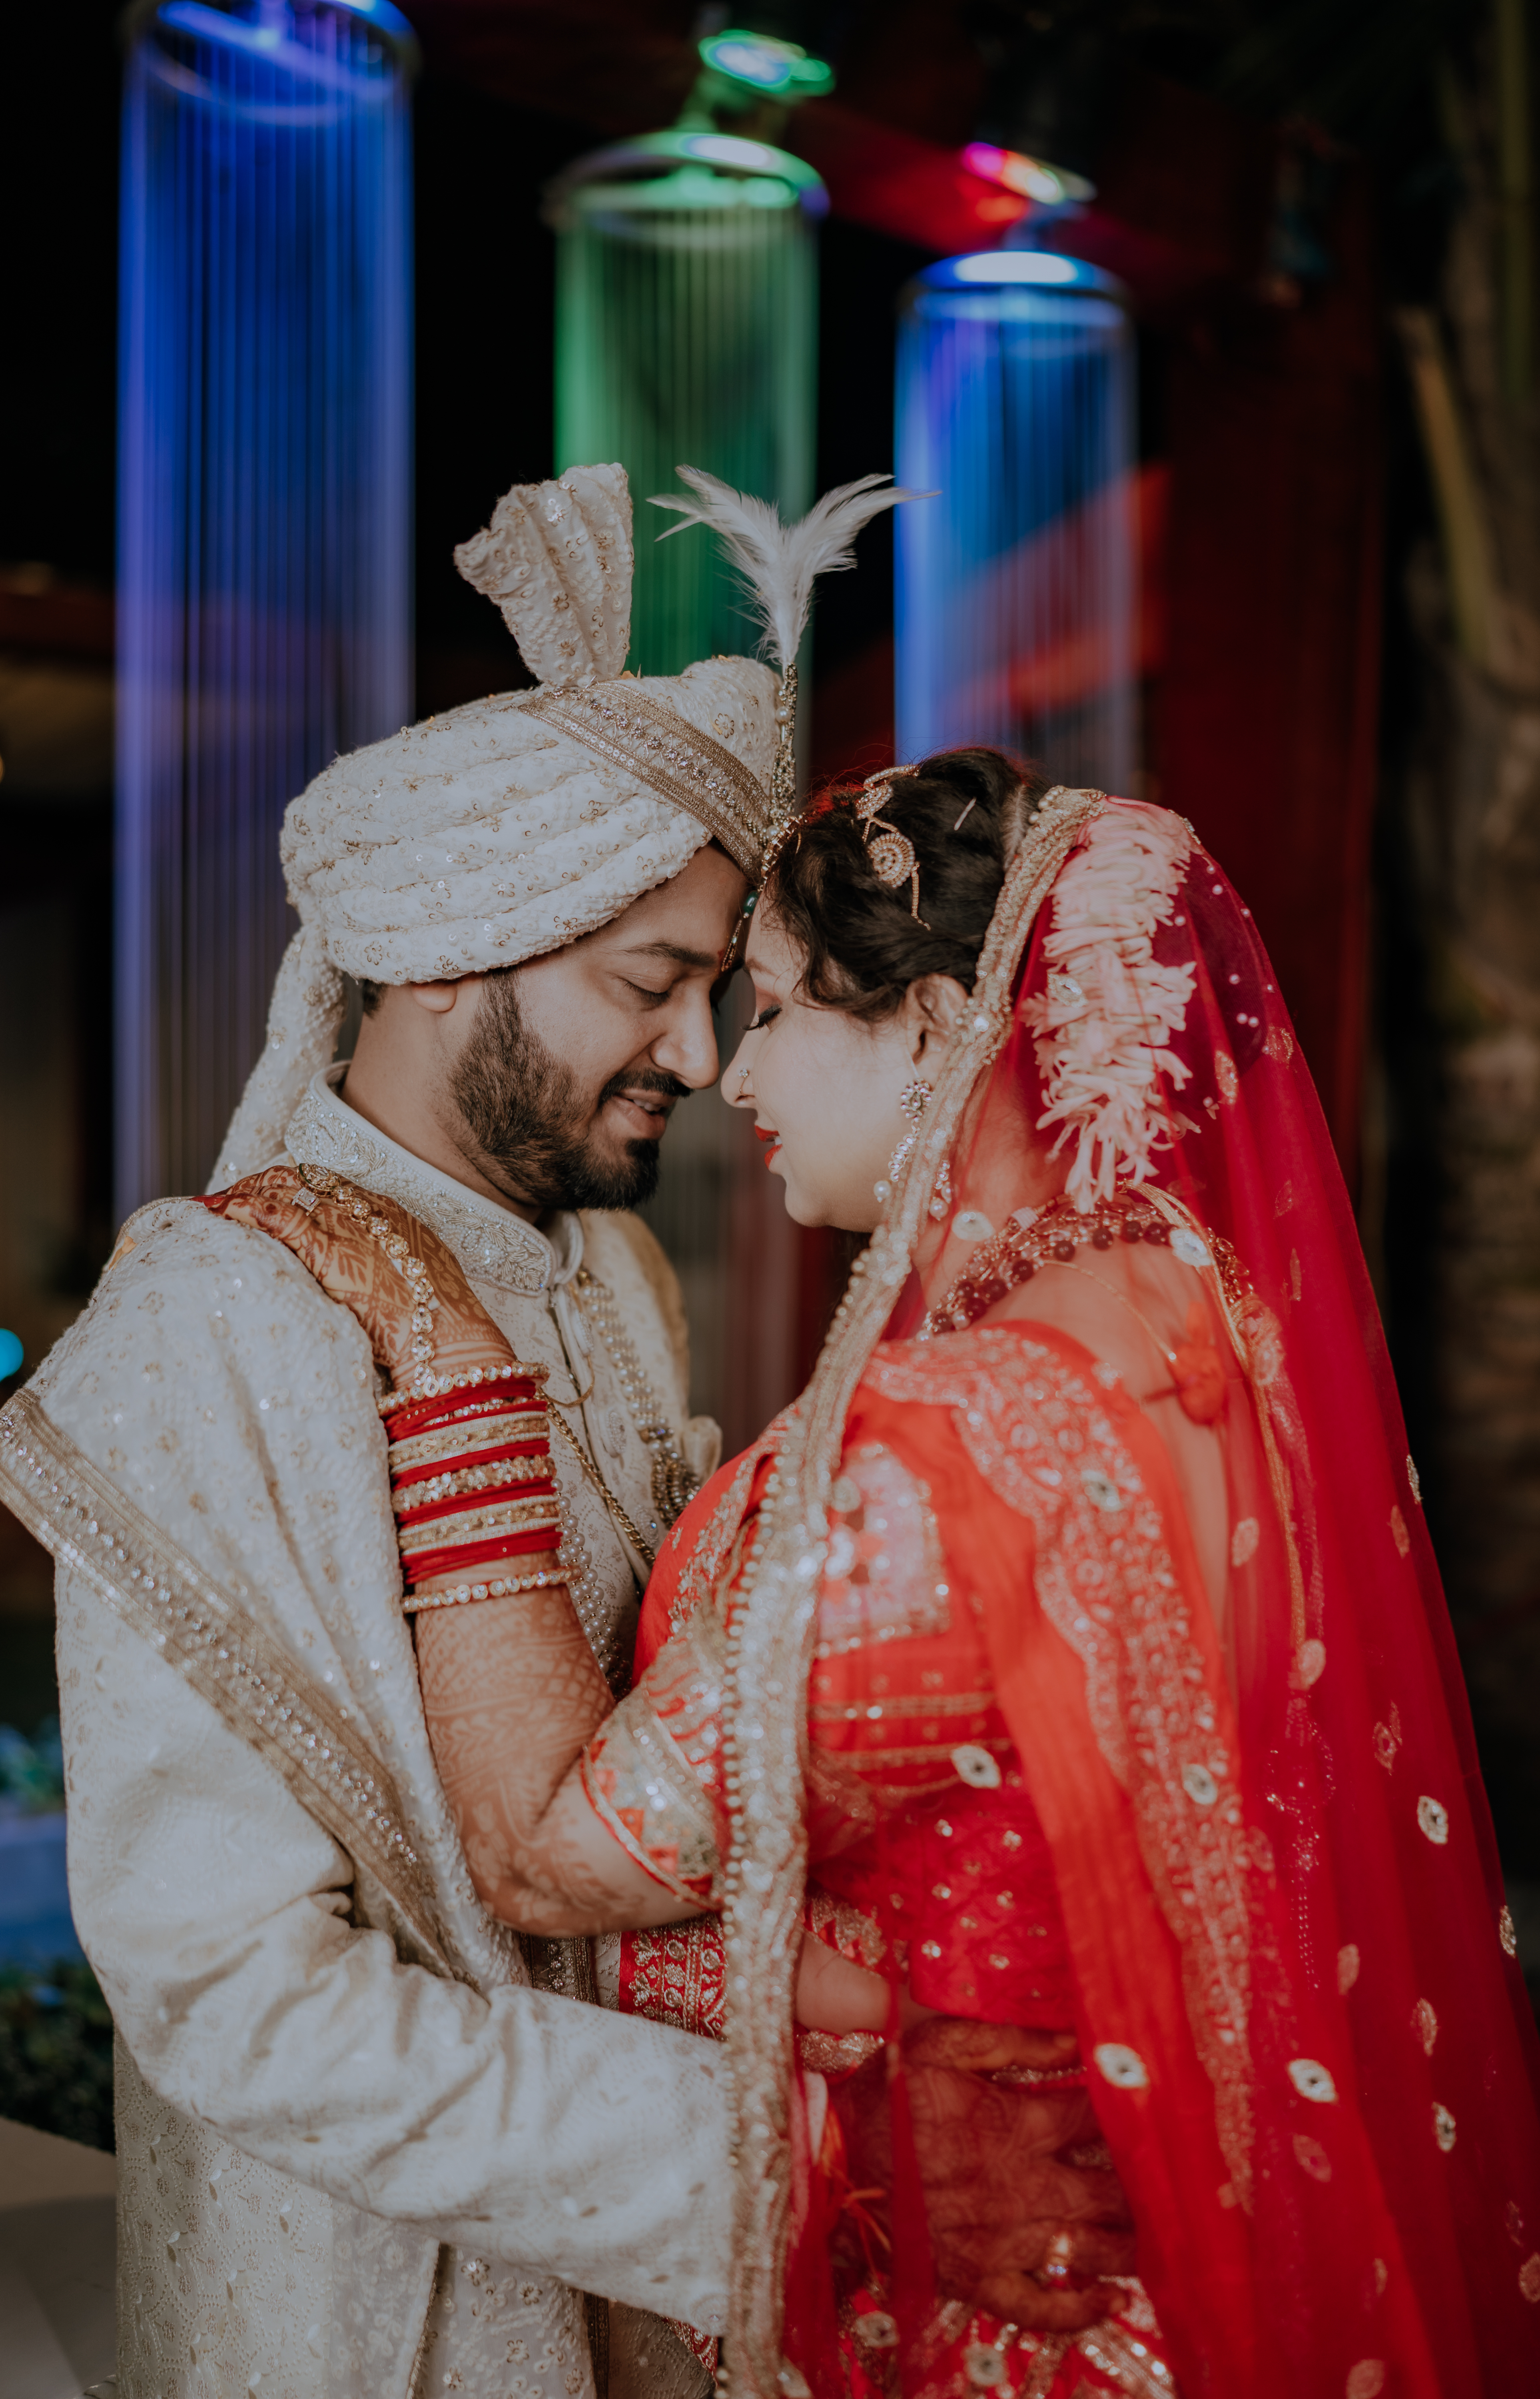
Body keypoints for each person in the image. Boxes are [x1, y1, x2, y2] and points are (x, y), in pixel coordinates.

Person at [0, 459, 944, 2399]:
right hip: (377, 2312)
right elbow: (231, 1991)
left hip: (664, 2289)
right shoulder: (218, 1315)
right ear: (442, 951)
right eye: (645, 985)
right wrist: (760, 2172)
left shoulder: (603, 1279)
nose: (694, 1055)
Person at [408, 744, 1540, 2399]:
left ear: (940, 1029)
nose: (732, 1072)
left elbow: (565, 1864)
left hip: (1002, 2314)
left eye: (780, 1007)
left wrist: (449, 1394)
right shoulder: (1202, 1327)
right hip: (1203, 2230)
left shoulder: (935, 1457)